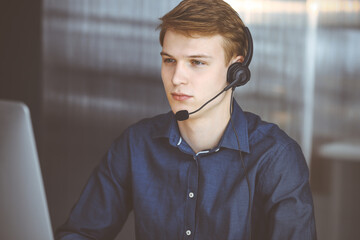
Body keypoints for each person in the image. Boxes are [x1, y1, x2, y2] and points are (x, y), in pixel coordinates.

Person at [56, 0, 317, 239]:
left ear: (236, 71)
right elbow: (81, 233)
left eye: (196, 62)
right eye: (169, 60)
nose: (176, 78)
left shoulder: (276, 157)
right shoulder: (136, 144)